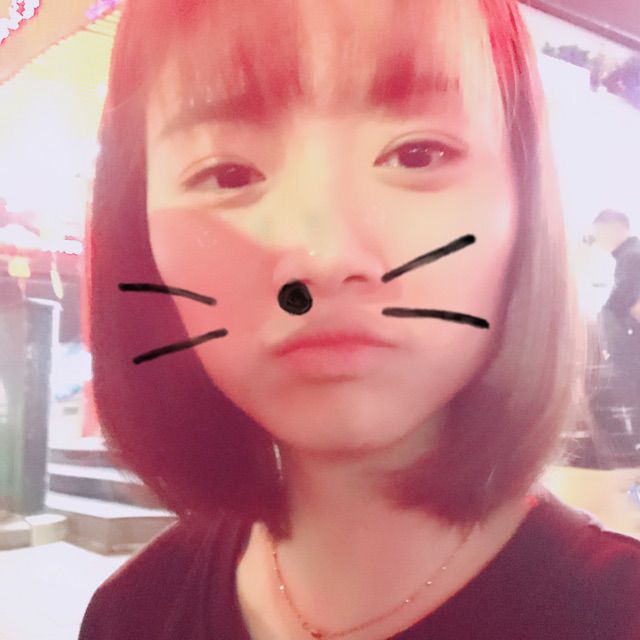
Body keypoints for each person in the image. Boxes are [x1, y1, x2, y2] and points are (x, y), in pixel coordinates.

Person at [80, 1, 640, 638]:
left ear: (526, 195)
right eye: (228, 173)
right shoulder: (133, 614)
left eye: (418, 154)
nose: (323, 257)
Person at [590, 209, 640, 468]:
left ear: (613, 228)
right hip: (630, 343)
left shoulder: (631, 256)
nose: (597, 240)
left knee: (630, 395)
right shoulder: (630, 255)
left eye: (599, 233)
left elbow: (624, 302)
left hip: (631, 347)